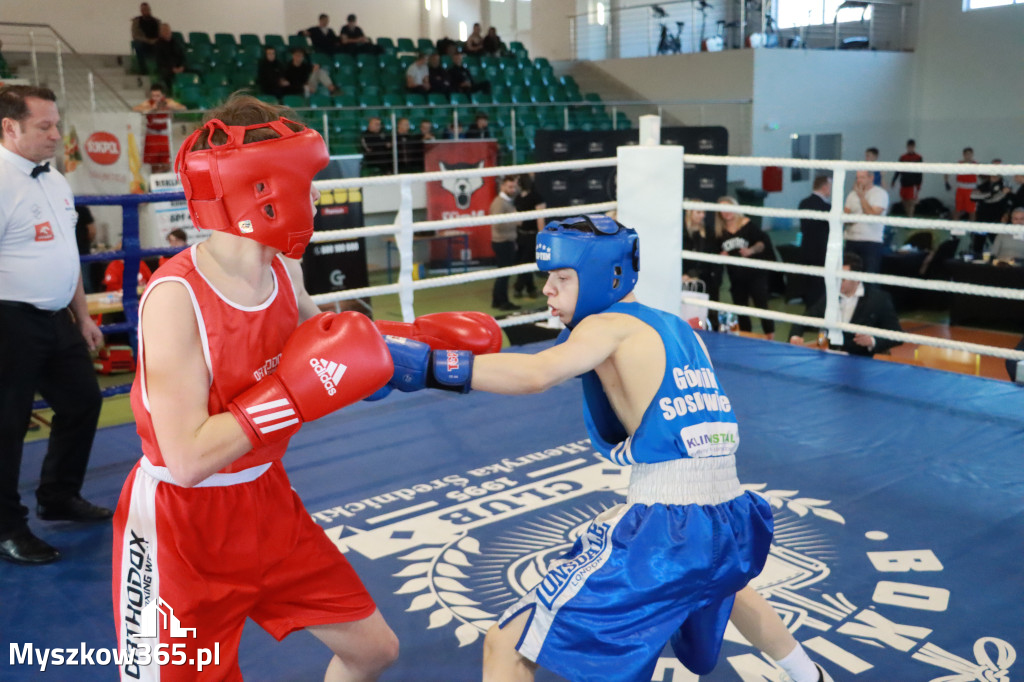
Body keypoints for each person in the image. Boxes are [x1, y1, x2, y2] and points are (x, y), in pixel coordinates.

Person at [373, 214, 831, 682]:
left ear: (603, 276)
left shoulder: (608, 326)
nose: (547, 289)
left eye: (562, 277)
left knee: (506, 646)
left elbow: (536, 374)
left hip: (670, 523)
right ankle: (808, 674)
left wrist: (430, 367)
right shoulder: (680, 328)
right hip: (730, 515)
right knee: (721, 584)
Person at [112, 95, 401, 680]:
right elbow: (188, 456)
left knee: (374, 649)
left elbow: (330, 347)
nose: (315, 197)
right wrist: (289, 396)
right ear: (262, 187)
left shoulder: (284, 270)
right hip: (181, 529)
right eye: (307, 180)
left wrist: (416, 352)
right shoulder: (176, 298)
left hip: (267, 503)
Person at [0, 85, 111, 566]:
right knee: (6, 427)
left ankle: (58, 495)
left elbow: (66, 256)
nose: (55, 134)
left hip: (57, 316)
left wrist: (83, 316)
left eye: (56, 123)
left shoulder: (54, 180)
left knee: (83, 401)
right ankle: (6, 528)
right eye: (43, 126)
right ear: (10, 127)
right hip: (8, 319)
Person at [789, 251, 902, 357]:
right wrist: (795, 337)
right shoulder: (830, 296)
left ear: (857, 277)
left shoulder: (878, 299)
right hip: (828, 360)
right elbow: (804, 319)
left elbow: (897, 335)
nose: (837, 283)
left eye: (842, 279)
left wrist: (872, 341)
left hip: (860, 364)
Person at [717, 196, 775, 338]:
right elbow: (716, 251)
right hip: (736, 276)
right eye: (722, 210)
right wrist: (721, 255)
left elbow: (762, 243)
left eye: (728, 208)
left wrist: (751, 250)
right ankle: (746, 337)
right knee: (740, 307)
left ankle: (770, 336)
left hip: (755, 273)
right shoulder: (720, 232)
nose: (726, 212)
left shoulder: (747, 224)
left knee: (761, 304)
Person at [683, 205, 723, 329]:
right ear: (690, 214)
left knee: (711, 311)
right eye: (699, 212)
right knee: (686, 311)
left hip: (707, 278)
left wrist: (692, 274)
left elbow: (711, 256)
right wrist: (684, 273)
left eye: (703, 212)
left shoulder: (709, 232)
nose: (703, 215)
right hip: (687, 279)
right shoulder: (681, 232)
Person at [843, 169, 889, 273]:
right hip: (851, 239)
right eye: (857, 177)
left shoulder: (880, 194)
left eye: (862, 177)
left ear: (871, 178)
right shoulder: (852, 194)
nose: (859, 180)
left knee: (868, 275)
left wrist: (862, 197)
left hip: (871, 241)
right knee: (848, 275)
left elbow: (872, 215)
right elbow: (844, 218)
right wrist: (852, 219)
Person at [132, 83, 185, 172]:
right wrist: (151, 109)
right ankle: (155, 180)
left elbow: (183, 108)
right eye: (153, 96)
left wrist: (171, 106)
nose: (155, 98)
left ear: (163, 95)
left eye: (158, 96)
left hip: (165, 135)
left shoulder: (168, 102)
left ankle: (160, 179)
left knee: (167, 164)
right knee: (154, 165)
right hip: (152, 136)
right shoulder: (148, 103)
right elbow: (135, 109)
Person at [798, 175, 832, 306]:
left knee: (809, 283)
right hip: (821, 251)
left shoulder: (803, 203)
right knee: (819, 285)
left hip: (806, 248)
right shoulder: (825, 206)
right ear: (824, 187)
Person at [489, 175, 520, 311]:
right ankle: (503, 302)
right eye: (510, 186)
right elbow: (498, 224)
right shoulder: (500, 203)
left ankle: (497, 300)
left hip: (505, 241)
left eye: (514, 186)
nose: (513, 189)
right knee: (504, 274)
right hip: (502, 242)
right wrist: (516, 221)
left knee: (503, 274)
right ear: (502, 187)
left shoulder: (506, 201)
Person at [512, 174, 546, 298]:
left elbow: (537, 219)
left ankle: (529, 289)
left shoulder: (523, 198)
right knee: (525, 263)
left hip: (525, 235)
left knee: (525, 263)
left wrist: (541, 236)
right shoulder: (532, 198)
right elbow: (539, 219)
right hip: (527, 235)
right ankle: (520, 288)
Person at [970, 159, 1012, 256]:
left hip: (997, 218)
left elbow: (997, 199)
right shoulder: (983, 184)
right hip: (982, 218)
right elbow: (973, 196)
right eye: (993, 167)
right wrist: (991, 194)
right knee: (977, 245)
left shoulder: (1006, 183)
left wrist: (986, 197)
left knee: (998, 244)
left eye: (998, 167)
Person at [890, 139, 923, 217]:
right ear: (907, 147)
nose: (910, 148)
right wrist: (893, 180)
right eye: (909, 147)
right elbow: (898, 170)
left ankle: (910, 218)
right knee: (904, 202)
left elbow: (920, 172)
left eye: (912, 147)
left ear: (914, 147)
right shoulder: (903, 157)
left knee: (911, 202)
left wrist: (919, 185)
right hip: (904, 183)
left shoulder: (918, 157)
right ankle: (908, 217)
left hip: (913, 184)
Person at [944, 147, 978, 222]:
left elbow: (984, 175)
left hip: (971, 190)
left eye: (970, 154)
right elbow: (947, 170)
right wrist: (946, 182)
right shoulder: (959, 164)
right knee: (958, 209)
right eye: (967, 154)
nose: (968, 156)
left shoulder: (976, 165)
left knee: (972, 210)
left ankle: (972, 229)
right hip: (961, 189)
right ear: (964, 155)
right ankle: (956, 227)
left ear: (972, 155)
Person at [130, 2, 161, 75]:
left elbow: (161, 34)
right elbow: (135, 35)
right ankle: (143, 70)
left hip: (155, 43)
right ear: (141, 11)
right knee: (138, 45)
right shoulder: (137, 21)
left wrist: (155, 40)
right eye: (144, 9)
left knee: (163, 45)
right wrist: (148, 40)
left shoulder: (156, 21)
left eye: (147, 9)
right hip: (144, 43)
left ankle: (160, 69)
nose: (146, 11)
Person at [153, 22, 185, 93]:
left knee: (197, 72)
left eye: (168, 30)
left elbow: (182, 56)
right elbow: (160, 60)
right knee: (167, 75)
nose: (167, 32)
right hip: (167, 68)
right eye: (165, 30)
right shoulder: (158, 45)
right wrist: (172, 68)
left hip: (179, 67)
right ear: (161, 33)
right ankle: (170, 93)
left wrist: (182, 66)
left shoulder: (176, 43)